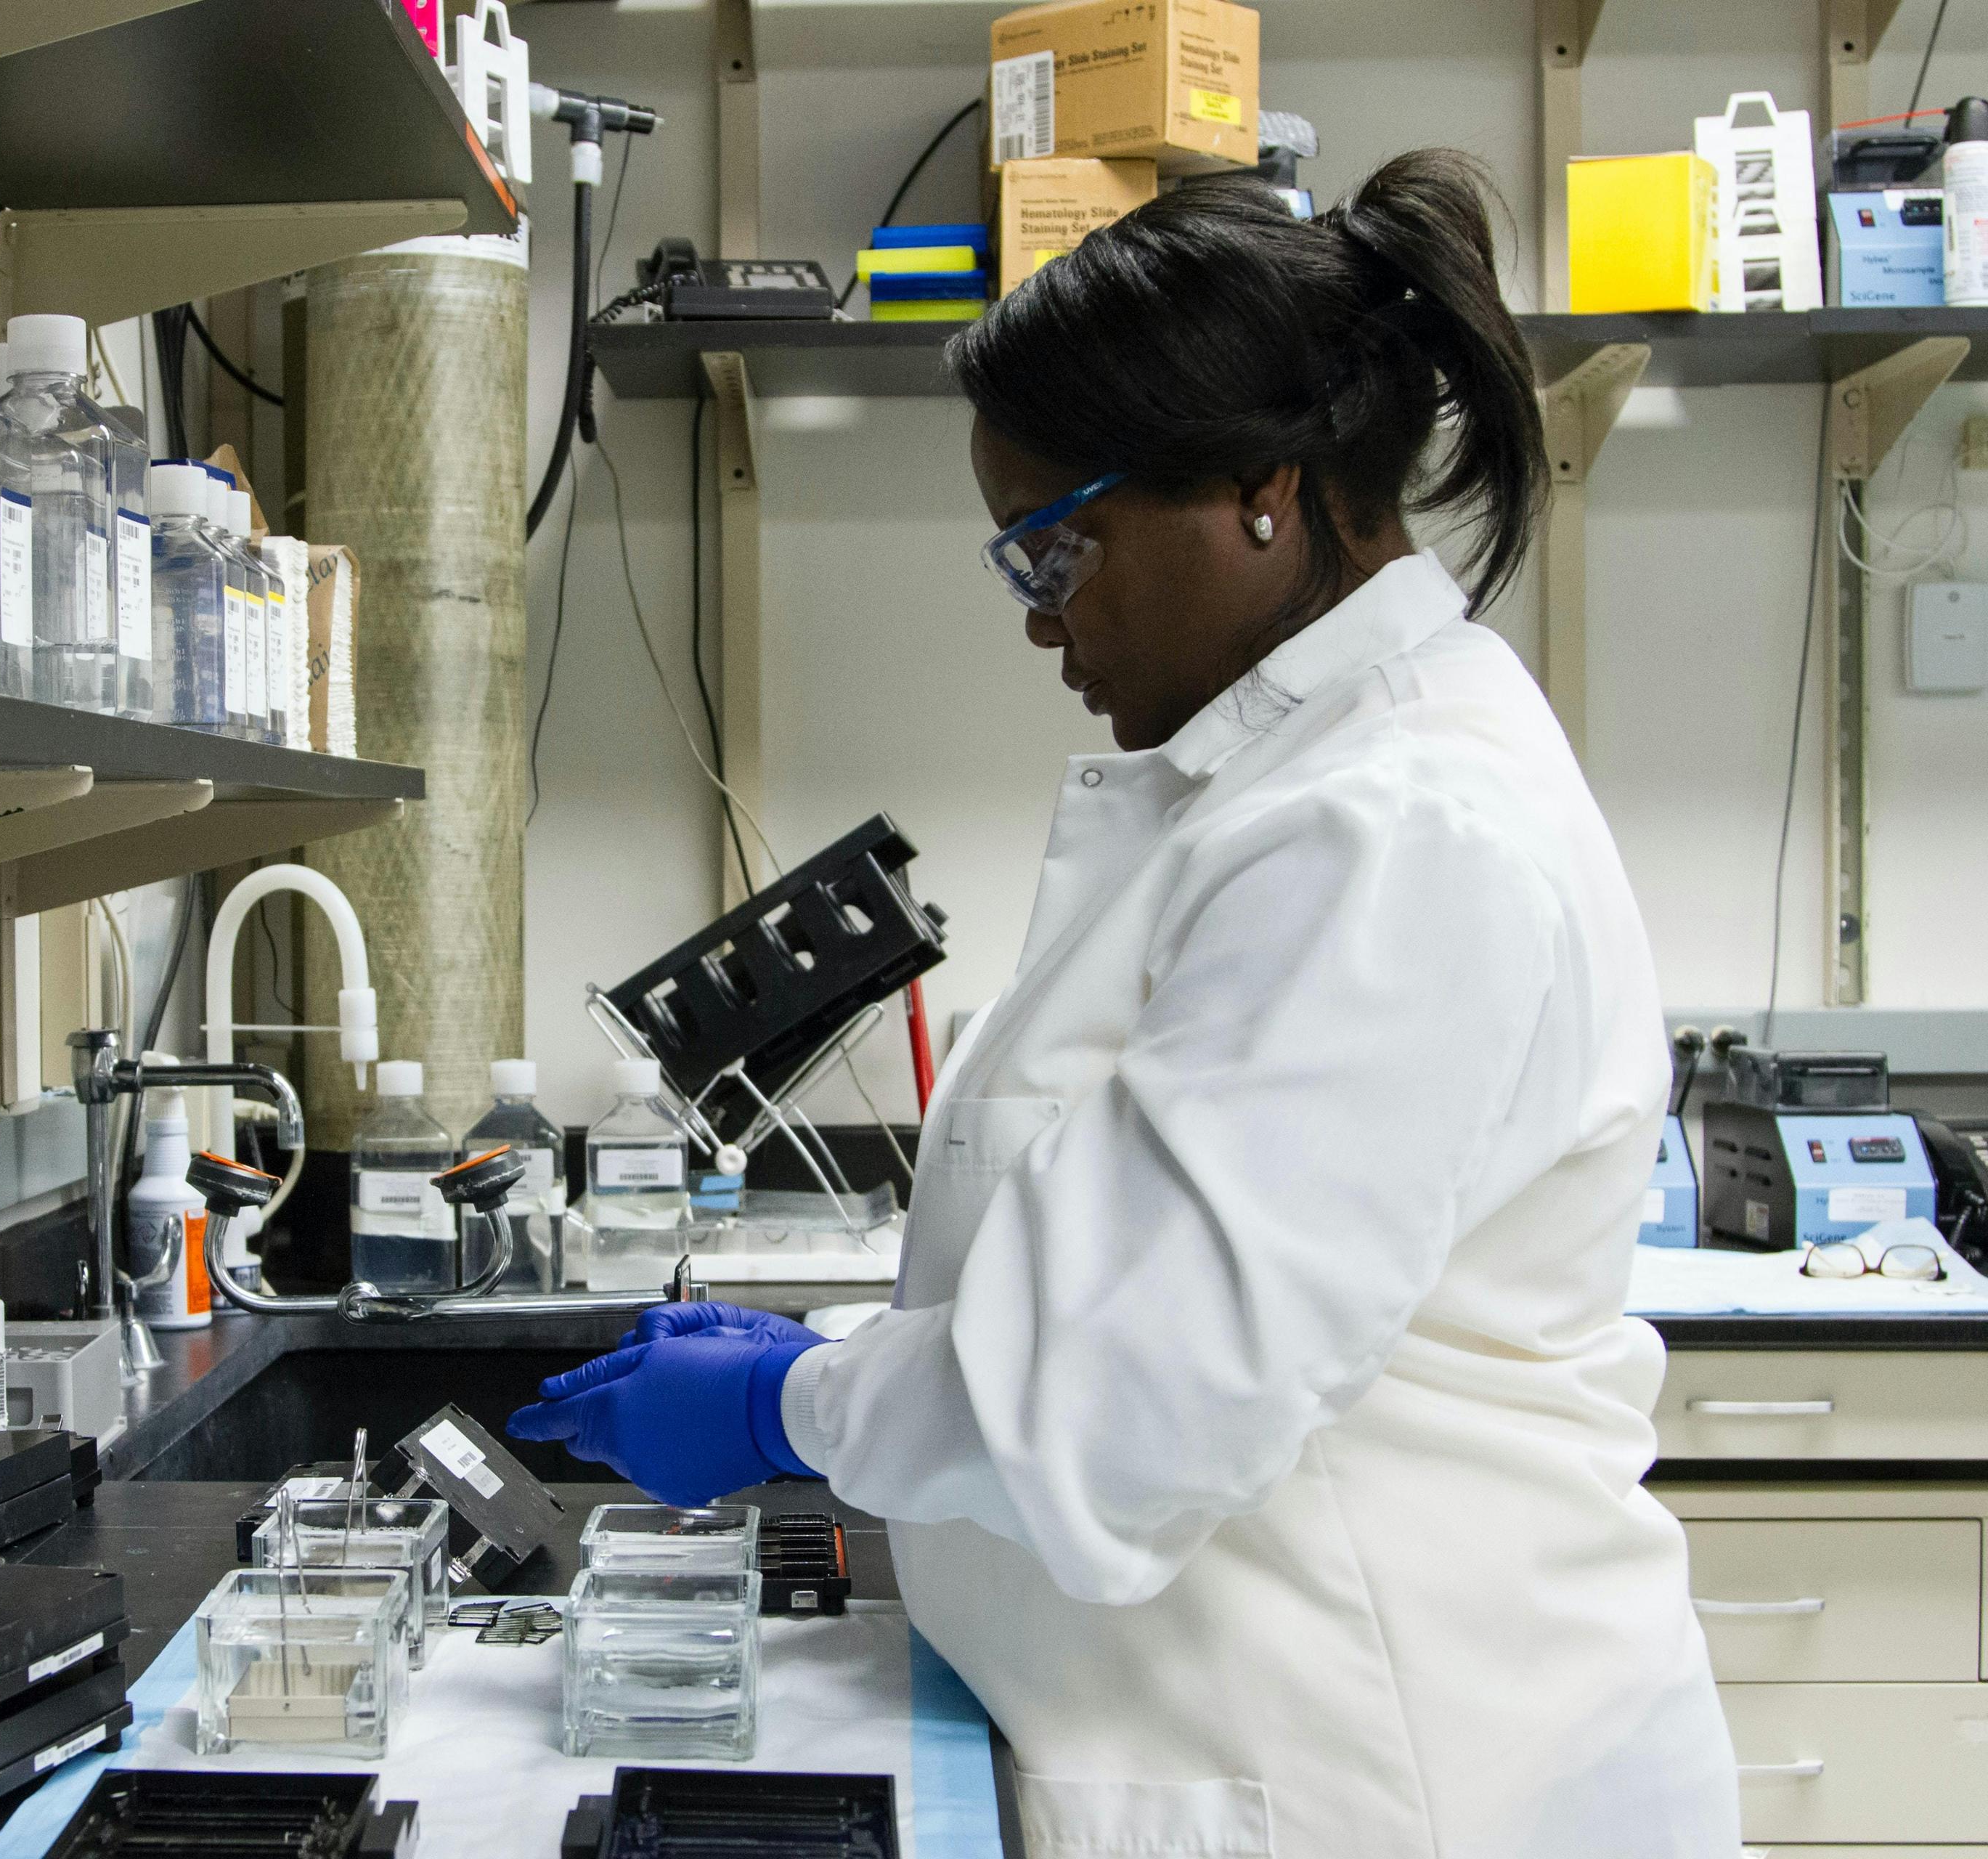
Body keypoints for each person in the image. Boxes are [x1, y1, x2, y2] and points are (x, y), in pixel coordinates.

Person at [508, 150, 1739, 1858]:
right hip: (1263, 1727)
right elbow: (1135, 1281)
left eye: (1053, 548)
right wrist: (849, 1371)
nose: (1041, 622)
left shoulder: (1392, 834)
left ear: (1260, 487)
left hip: (1397, 1771)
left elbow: (1112, 1412)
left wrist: (794, 1402)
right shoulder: (1291, 794)